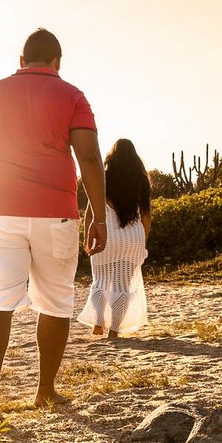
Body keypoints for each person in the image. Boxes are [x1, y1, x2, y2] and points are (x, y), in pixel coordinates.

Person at [0, 28, 108, 422]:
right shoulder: (72, 96)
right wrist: (98, 215)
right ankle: (45, 391)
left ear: (21, 61)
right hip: (57, 214)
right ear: (58, 62)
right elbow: (90, 158)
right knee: (56, 301)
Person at [78, 139, 151, 338]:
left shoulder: (103, 178)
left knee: (100, 281)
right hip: (132, 238)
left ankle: (98, 322)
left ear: (112, 156)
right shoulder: (141, 180)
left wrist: (87, 237)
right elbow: (146, 216)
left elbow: (91, 213)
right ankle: (115, 329)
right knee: (123, 286)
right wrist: (142, 242)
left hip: (107, 235)